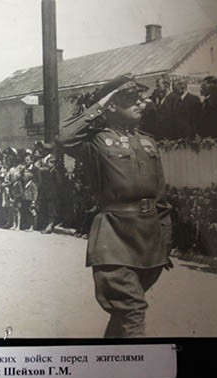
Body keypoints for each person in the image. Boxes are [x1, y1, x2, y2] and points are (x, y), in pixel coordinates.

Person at [55, 73, 173, 338]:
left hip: (149, 241)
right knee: (132, 310)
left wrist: (165, 240)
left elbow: (161, 197)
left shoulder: (147, 141)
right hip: (114, 237)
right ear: (112, 106)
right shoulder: (96, 142)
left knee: (125, 314)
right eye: (131, 98)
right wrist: (101, 103)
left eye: (141, 98)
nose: (140, 103)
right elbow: (64, 139)